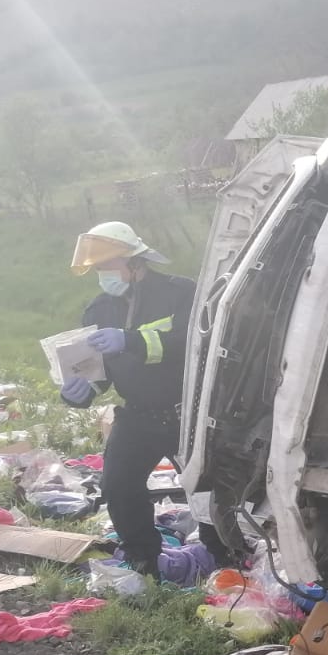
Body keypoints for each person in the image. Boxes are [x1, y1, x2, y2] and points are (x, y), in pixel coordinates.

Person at [58, 222, 216, 580]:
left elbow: (190, 344)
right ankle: (143, 560)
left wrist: (130, 340)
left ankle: (223, 555)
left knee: (206, 491)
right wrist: (82, 391)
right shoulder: (99, 310)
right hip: (138, 416)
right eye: (98, 269)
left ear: (134, 261)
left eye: (108, 266)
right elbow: (100, 371)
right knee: (118, 486)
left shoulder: (180, 293)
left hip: (188, 414)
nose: (103, 275)